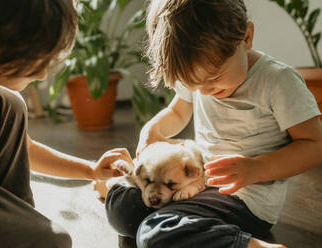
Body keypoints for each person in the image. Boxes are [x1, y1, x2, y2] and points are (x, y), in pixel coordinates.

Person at [103, 0, 322, 248]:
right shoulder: (199, 73)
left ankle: (255, 246)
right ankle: (190, 227)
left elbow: (315, 145)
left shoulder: (277, 82)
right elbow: (177, 112)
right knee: (122, 208)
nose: (204, 90)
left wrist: (255, 168)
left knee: (153, 234)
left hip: (243, 198)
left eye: (215, 77)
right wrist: (153, 131)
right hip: (197, 182)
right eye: (193, 83)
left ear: (246, 37)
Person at [0, 1, 132, 247]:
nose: (42, 74)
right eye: (27, 58)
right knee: (48, 240)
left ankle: (16, 219)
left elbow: (26, 148)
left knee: (4, 103)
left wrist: (90, 170)